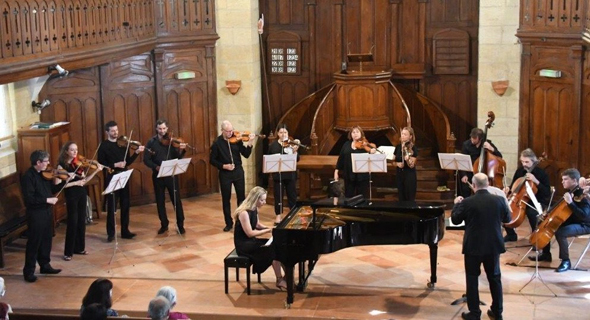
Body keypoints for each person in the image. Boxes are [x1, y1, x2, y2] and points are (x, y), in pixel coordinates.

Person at [452, 173, 510, 320]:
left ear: (474, 185)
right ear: (488, 184)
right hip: (493, 245)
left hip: (473, 246)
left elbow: (455, 220)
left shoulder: (467, 202)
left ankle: (474, 313)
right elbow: (508, 218)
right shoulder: (499, 200)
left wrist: (456, 204)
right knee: (495, 278)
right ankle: (497, 311)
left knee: (472, 278)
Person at [21, 150, 65, 283]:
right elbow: (29, 199)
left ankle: (45, 266)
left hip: (46, 212)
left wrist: (64, 181)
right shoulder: (28, 177)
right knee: (34, 242)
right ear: (38, 162)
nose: (48, 164)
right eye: (46, 161)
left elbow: (51, 190)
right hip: (35, 213)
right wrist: (47, 200)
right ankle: (28, 271)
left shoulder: (44, 175)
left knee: (47, 239)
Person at [97, 121, 144, 242]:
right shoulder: (103, 146)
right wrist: (114, 164)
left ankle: (125, 231)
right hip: (112, 177)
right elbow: (101, 164)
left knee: (125, 204)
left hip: (124, 176)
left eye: (116, 130)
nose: (115, 133)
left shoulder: (123, 144)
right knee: (112, 206)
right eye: (112, 131)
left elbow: (127, 162)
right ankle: (111, 233)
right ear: (107, 132)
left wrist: (136, 153)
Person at [58, 142, 103, 261]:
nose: (75, 152)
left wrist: (95, 171)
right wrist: (75, 182)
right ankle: (68, 252)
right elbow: (61, 186)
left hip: (82, 193)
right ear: (66, 151)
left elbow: (84, 181)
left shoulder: (79, 165)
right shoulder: (61, 166)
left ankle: (79, 248)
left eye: (76, 150)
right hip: (71, 195)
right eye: (72, 150)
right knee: (72, 222)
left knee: (81, 221)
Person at [234, 187, 286, 290]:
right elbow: (250, 233)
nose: (264, 202)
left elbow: (257, 224)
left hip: (251, 242)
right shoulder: (244, 213)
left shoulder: (254, 209)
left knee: (277, 245)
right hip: (244, 245)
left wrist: (269, 228)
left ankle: (285, 276)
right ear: (255, 199)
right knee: (272, 250)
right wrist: (267, 231)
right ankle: (279, 279)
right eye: (262, 200)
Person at [503, 149, 550, 259]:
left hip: (537, 201)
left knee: (532, 213)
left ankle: (536, 239)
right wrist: (508, 189)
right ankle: (511, 235)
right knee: (504, 208)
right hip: (521, 199)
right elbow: (514, 185)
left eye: (527, 162)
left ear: (533, 161)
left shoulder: (541, 173)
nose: (524, 164)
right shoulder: (520, 171)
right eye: (522, 161)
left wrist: (536, 181)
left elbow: (546, 192)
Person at [210, 120, 256, 232]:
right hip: (225, 174)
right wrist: (223, 166)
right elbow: (212, 160)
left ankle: (241, 221)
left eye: (231, 130)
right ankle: (228, 223)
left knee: (241, 198)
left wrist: (250, 142)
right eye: (228, 131)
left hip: (238, 172)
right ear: (222, 131)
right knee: (226, 199)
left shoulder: (237, 140)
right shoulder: (217, 143)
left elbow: (246, 154)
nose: (231, 133)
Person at [144, 119, 187, 235]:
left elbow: (178, 157)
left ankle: (180, 224)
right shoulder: (151, 142)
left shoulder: (172, 141)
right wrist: (155, 167)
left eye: (164, 128)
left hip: (171, 175)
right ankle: (164, 224)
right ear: (156, 129)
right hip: (158, 175)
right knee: (160, 200)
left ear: (167, 128)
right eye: (160, 129)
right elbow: (146, 159)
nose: (162, 131)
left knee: (176, 200)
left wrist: (181, 151)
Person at [551, 168, 590, 272]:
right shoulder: (571, 192)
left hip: (585, 224)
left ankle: (566, 261)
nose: (562, 181)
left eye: (565, 179)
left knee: (561, 232)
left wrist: (571, 203)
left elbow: (584, 216)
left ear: (574, 181)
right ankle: (546, 254)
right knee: (551, 225)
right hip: (576, 220)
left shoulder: (582, 195)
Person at [267, 124, 300, 225]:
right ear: (277, 134)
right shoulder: (273, 145)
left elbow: (297, 159)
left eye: (285, 132)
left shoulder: (291, 144)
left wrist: (295, 152)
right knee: (278, 195)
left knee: (292, 195)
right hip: (278, 175)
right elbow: (268, 158)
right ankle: (278, 216)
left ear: (288, 134)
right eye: (281, 132)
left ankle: (293, 214)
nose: (283, 134)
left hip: (290, 175)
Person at [333, 126, 376, 198]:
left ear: (361, 134)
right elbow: (341, 158)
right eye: (353, 132)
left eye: (357, 132)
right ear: (351, 134)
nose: (355, 134)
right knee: (348, 196)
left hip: (362, 176)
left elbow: (372, 158)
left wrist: (372, 151)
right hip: (349, 175)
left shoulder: (365, 145)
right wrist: (336, 171)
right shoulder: (346, 144)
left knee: (362, 197)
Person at [458, 128, 502, 198]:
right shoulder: (466, 145)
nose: (472, 139)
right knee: (465, 189)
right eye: (471, 137)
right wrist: (464, 175)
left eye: (474, 138)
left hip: (485, 173)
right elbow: (463, 161)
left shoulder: (487, 143)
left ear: (480, 139)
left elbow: (499, 156)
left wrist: (491, 148)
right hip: (470, 172)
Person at [394, 127, 418, 201]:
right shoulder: (398, 147)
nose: (403, 136)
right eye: (402, 134)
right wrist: (397, 164)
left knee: (409, 197)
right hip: (399, 175)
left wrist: (408, 160)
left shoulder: (413, 148)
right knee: (401, 197)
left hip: (409, 175)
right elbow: (393, 162)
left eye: (405, 134)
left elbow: (412, 165)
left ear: (410, 136)